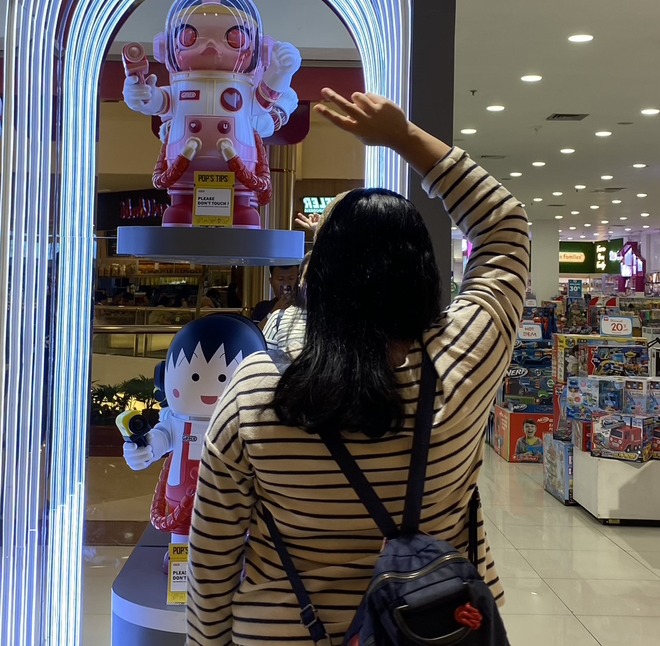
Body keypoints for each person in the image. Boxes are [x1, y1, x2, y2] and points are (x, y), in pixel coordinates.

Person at [187, 88, 529, 646]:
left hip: (286, 631)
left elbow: (213, 551)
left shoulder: (255, 388)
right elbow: (505, 229)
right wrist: (404, 138)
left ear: (317, 276)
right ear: (423, 272)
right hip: (434, 626)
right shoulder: (467, 355)